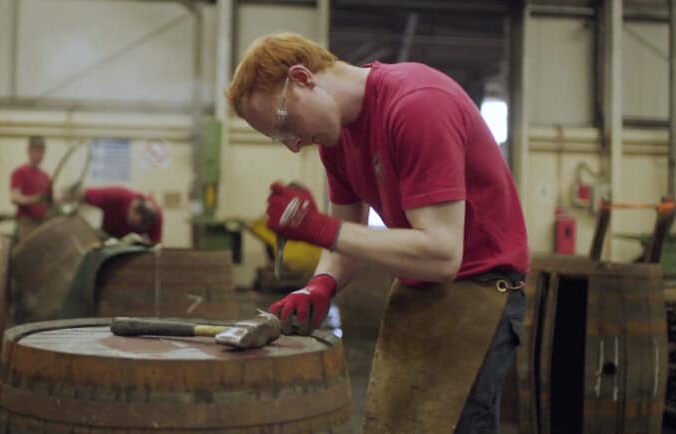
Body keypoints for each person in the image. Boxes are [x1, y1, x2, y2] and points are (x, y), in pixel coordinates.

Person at [226, 32, 530, 433]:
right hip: (419, 291)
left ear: (302, 78)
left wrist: (318, 228)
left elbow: (442, 253)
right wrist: (320, 283)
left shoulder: (417, 106)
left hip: (480, 292)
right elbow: (348, 235)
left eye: (285, 124)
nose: (294, 145)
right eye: (279, 138)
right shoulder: (335, 140)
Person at [81, 186, 162, 244]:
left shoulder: (156, 218)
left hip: (129, 245)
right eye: (131, 223)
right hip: (105, 235)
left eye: (136, 228)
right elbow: (83, 193)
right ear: (133, 207)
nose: (131, 228)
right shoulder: (117, 195)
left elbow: (156, 247)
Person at [10, 136, 53, 240]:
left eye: (41, 151)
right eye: (36, 151)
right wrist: (35, 199)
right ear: (29, 151)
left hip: (43, 222)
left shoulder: (45, 176)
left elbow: (51, 200)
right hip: (27, 222)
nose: (39, 155)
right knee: (30, 252)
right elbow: (15, 198)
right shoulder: (20, 172)